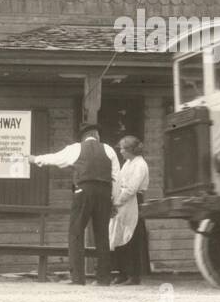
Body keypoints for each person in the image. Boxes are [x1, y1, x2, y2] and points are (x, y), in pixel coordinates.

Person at [31, 122, 120, 285]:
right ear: (96, 135)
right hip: (104, 193)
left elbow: (55, 158)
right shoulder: (109, 150)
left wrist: (36, 159)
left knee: (76, 232)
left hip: (84, 190)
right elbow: (116, 177)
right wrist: (114, 201)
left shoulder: (76, 148)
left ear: (84, 136)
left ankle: (78, 278)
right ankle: (104, 278)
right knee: (102, 235)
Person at [109, 135, 150, 284]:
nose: (120, 151)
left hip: (133, 201)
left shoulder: (140, 164)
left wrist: (118, 201)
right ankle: (122, 272)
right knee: (119, 234)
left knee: (132, 236)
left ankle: (134, 275)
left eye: (123, 149)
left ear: (131, 150)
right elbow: (120, 182)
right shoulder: (127, 163)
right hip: (123, 201)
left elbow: (132, 188)